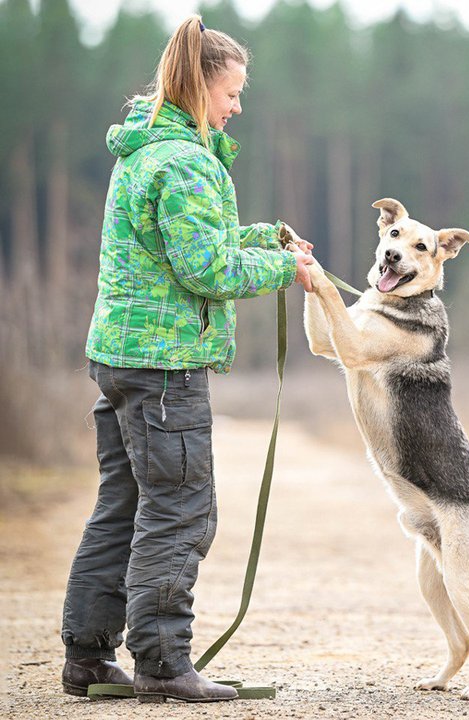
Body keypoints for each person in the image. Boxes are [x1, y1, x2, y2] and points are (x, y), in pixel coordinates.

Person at [60, 16, 314, 703]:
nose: (237, 106)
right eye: (231, 92)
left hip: (119, 358)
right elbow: (207, 267)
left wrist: (269, 239)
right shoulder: (188, 162)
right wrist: (283, 268)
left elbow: (188, 242)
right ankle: (164, 664)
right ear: (199, 86)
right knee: (180, 510)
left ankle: (86, 658)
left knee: (124, 505)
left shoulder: (147, 153)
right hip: (164, 368)